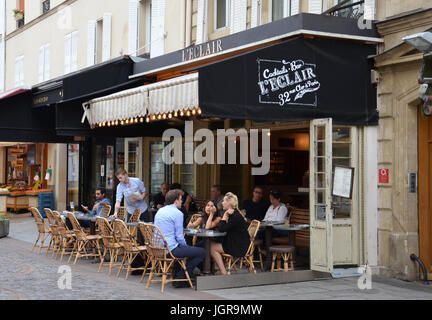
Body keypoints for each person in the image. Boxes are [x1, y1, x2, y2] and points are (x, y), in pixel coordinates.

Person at [154, 189, 206, 288]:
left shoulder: (160, 211)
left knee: (182, 249)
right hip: (169, 250)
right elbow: (179, 237)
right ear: (176, 200)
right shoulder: (177, 213)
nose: (182, 201)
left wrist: (185, 248)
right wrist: (186, 247)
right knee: (201, 252)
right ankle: (181, 277)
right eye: (181, 199)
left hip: (157, 248)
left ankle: (177, 277)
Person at [210, 192, 250, 275]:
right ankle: (213, 269)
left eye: (224, 201)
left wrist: (224, 215)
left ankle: (223, 272)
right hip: (236, 242)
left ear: (229, 203)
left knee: (212, 247)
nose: (222, 203)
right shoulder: (234, 214)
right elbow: (224, 228)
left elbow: (221, 229)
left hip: (239, 246)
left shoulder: (235, 216)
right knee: (211, 244)